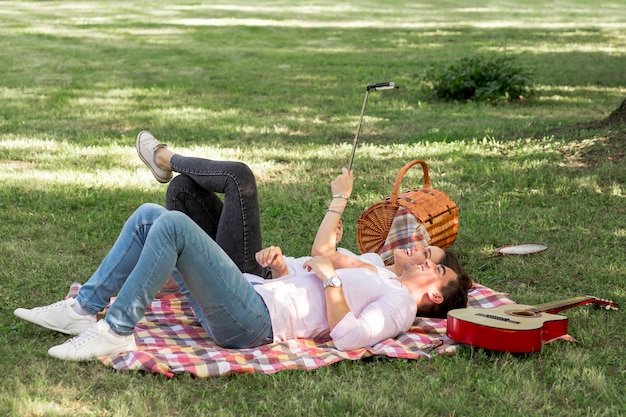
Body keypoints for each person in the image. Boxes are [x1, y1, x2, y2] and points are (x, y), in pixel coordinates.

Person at [13, 133, 468, 361]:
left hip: (252, 321)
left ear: (434, 294)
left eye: (435, 265)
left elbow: (348, 337)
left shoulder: (398, 307)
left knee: (172, 224)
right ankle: (83, 307)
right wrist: (290, 268)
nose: (425, 255)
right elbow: (317, 273)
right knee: (150, 215)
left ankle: (117, 328)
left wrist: (328, 276)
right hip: (252, 293)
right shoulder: (378, 272)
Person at [134, 131, 471, 293]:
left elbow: (320, 255)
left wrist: (339, 200)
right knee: (182, 191)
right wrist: (333, 245)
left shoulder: (384, 280)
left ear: (427, 277)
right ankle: (175, 279)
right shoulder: (374, 265)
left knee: (239, 178)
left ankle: (165, 158)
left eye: (427, 257)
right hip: (268, 268)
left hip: (251, 280)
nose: (419, 252)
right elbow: (324, 260)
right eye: (426, 249)